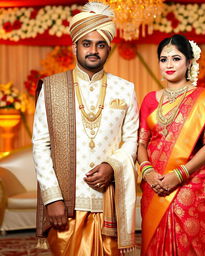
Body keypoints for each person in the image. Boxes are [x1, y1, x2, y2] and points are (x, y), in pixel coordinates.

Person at [32, 2, 139, 256]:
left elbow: (132, 139)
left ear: (108, 49)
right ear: (75, 46)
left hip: (109, 204)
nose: (93, 50)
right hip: (66, 206)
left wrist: (113, 166)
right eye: (87, 44)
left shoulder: (125, 89)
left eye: (100, 45)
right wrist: (52, 198)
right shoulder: (52, 87)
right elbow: (40, 144)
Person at [137, 34, 205, 255]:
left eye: (176, 58)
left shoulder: (202, 100)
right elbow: (141, 143)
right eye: (163, 59)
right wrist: (148, 172)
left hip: (191, 184)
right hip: (154, 184)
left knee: (190, 245)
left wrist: (179, 174)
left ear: (190, 62)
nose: (169, 64)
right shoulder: (150, 100)